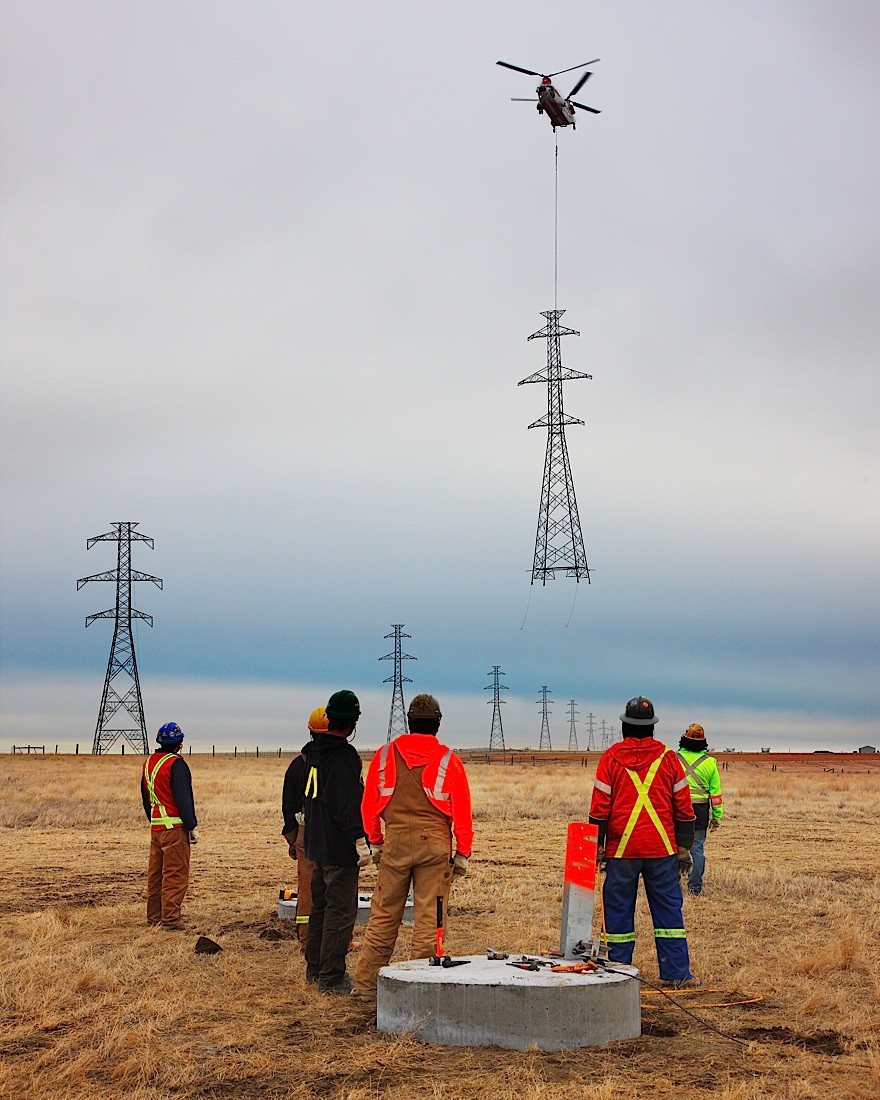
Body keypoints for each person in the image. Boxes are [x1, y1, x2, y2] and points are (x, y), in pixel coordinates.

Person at [354, 694, 473, 999]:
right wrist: (463, 853)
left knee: (383, 916)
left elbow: (368, 807)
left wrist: (377, 843)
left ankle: (367, 988)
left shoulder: (383, 756)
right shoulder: (449, 760)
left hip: (394, 844)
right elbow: (462, 810)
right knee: (429, 919)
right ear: (437, 723)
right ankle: (419, 991)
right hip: (434, 846)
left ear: (409, 721)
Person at [589, 696, 698, 988]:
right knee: (668, 914)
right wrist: (684, 848)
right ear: (651, 728)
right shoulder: (669, 759)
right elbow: (685, 809)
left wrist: (596, 848)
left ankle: (616, 972)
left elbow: (599, 809)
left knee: (617, 913)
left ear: (625, 726)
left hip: (620, 851)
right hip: (661, 851)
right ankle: (676, 973)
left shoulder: (610, 758)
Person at [303, 690, 371, 993]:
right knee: (340, 913)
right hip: (339, 848)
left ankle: (315, 970)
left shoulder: (313, 751)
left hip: (317, 844)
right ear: (353, 723)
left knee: (320, 909)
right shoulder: (343, 757)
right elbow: (346, 803)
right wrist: (359, 839)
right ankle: (331, 978)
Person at [140, 722, 200, 930]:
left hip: (156, 828)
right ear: (180, 743)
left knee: (156, 874)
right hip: (174, 829)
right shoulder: (176, 764)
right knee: (175, 873)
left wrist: (154, 820)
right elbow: (184, 798)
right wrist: (191, 825)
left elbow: (145, 798)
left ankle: (154, 916)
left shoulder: (149, 763)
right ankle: (172, 920)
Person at [281, 705, 329, 946]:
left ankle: (306, 936)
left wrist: (292, 835)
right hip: (332, 834)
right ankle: (337, 939)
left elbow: (287, 803)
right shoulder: (341, 762)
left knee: (308, 883)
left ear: (310, 732)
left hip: (305, 831)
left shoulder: (297, 765)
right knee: (335, 885)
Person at [677, 723, 724, 895]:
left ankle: (673, 885)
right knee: (697, 849)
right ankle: (695, 888)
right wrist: (717, 817)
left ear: (684, 739)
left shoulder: (674, 759)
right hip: (700, 812)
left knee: (674, 848)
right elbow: (716, 794)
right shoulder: (710, 763)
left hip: (677, 811)